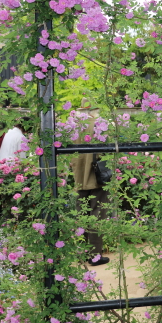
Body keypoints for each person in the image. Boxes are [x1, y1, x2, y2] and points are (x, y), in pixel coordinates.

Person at [71, 106, 110, 267]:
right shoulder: (99, 124)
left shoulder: (73, 126)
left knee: (82, 214)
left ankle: (82, 252)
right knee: (97, 214)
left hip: (79, 176)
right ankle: (94, 256)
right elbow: (105, 151)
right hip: (96, 176)